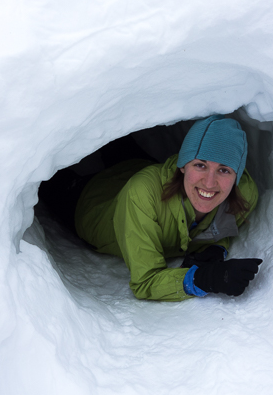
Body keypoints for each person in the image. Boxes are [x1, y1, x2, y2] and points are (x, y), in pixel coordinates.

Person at [39, 114, 261, 301]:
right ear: (182, 166)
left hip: (138, 167)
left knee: (122, 147)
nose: (210, 183)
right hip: (90, 200)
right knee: (50, 181)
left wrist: (215, 249)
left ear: (236, 175)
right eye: (200, 165)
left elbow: (224, 226)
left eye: (224, 170)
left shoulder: (244, 194)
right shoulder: (142, 192)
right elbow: (145, 281)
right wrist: (203, 279)